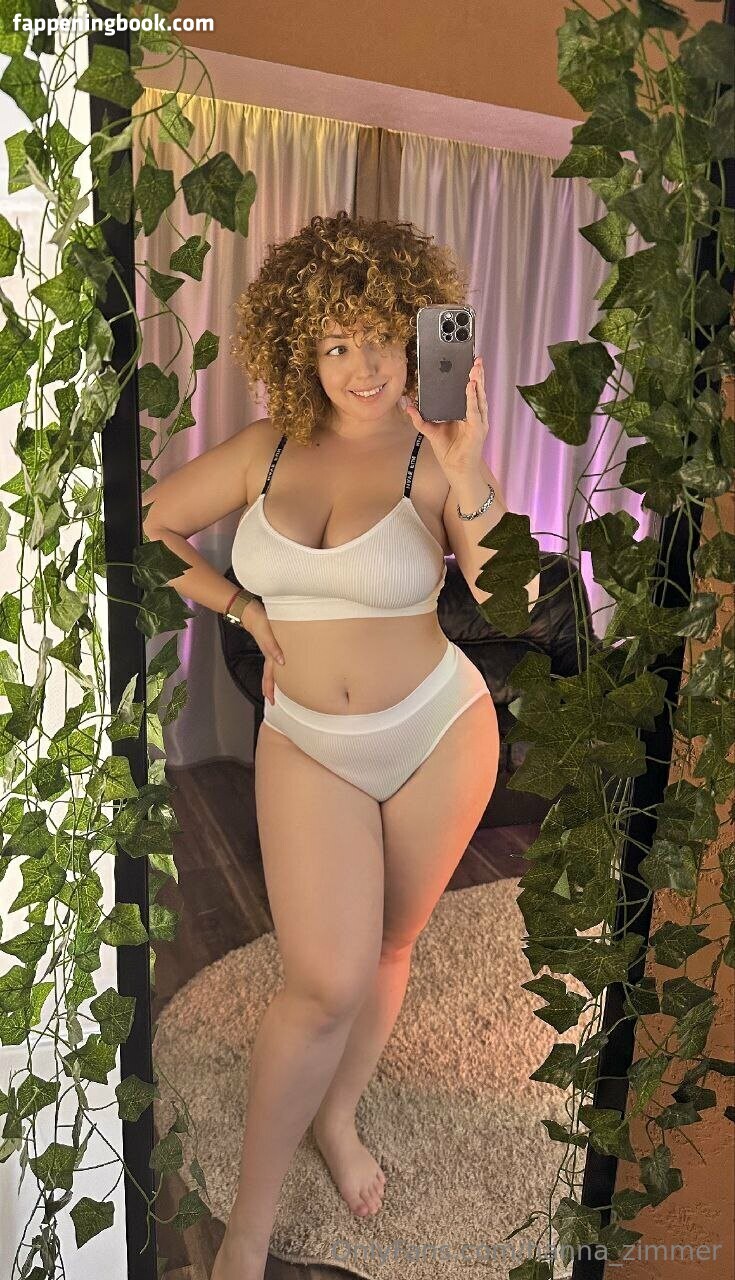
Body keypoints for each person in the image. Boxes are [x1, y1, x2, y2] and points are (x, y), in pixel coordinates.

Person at [142, 211, 539, 1280]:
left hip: (437, 730)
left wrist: (470, 465)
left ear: (417, 340)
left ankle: (339, 1112)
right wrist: (241, 607)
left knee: (389, 950)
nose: (365, 367)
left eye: (383, 339)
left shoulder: (433, 456)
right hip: (309, 738)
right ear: (299, 350)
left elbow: (509, 600)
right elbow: (146, 524)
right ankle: (249, 1228)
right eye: (336, 343)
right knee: (321, 981)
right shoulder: (265, 448)